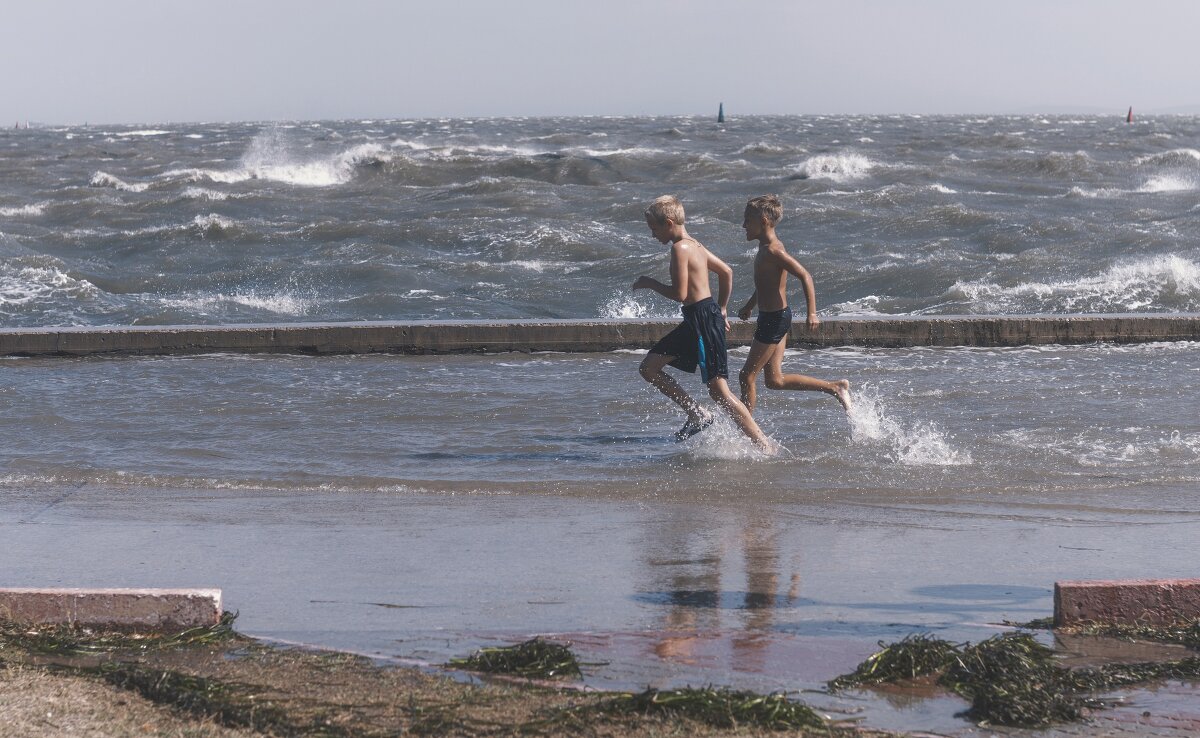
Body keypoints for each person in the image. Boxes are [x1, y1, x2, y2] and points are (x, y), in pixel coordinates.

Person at [633, 195, 773, 450]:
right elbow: (726, 272)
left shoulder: (680, 248)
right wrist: (721, 308)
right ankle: (696, 413)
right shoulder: (695, 245)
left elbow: (681, 294)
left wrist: (650, 283)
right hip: (699, 318)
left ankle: (763, 445)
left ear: (668, 223)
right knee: (649, 368)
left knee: (719, 392)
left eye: (654, 229)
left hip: (701, 321)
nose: (653, 235)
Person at [735, 195, 851, 413]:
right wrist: (751, 305)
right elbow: (766, 285)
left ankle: (745, 429)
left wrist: (812, 313)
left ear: (763, 221)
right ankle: (835, 387)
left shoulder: (773, 251)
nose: (743, 226)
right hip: (775, 316)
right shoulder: (765, 248)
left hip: (774, 319)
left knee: (746, 376)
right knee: (774, 380)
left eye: (747, 220)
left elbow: (805, 275)